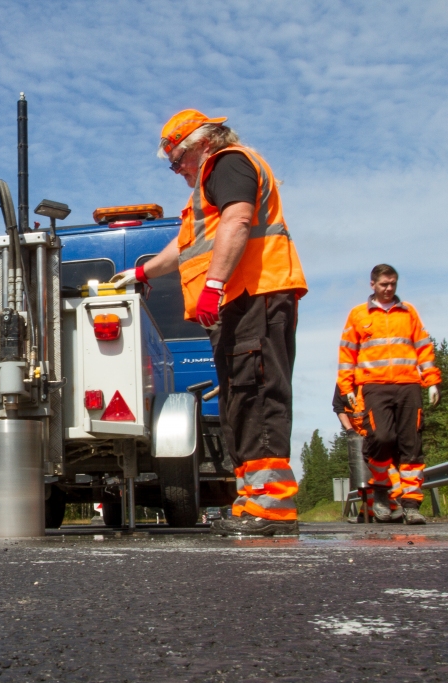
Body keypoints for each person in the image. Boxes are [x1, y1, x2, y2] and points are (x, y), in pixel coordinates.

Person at [111, 109, 308, 536]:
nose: (177, 171)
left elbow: (238, 221)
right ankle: (254, 502)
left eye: (177, 161)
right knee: (240, 398)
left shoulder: (227, 163)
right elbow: (186, 248)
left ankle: (272, 508)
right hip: (240, 301)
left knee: (257, 395)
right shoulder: (208, 184)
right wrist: (142, 271)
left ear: (200, 145)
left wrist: (213, 285)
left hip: (255, 293)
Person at [337, 264, 441, 524]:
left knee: (411, 446)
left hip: (409, 385)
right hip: (374, 386)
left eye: (393, 283)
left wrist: (431, 382)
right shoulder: (359, 314)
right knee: (381, 438)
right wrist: (346, 388)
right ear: (372, 284)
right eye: (384, 284)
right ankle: (382, 492)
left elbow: (423, 347)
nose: (389, 288)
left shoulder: (408, 312)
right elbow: (347, 353)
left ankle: (411, 505)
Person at [333, 385, 402, 522]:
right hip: (358, 434)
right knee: (363, 474)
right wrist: (350, 430)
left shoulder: (372, 381)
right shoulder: (343, 383)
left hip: (378, 432)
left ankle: (395, 506)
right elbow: (339, 408)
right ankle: (368, 511)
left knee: (386, 468)